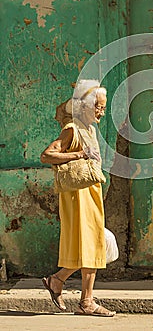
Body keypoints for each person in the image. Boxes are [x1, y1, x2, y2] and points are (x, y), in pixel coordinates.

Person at [40, 79, 116, 317]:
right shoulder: (72, 128)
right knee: (91, 244)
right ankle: (86, 301)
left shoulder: (89, 129)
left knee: (91, 244)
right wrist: (80, 153)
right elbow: (47, 155)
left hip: (89, 193)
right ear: (84, 106)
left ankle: (58, 281)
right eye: (98, 106)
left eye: (103, 107)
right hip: (77, 197)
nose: (101, 111)